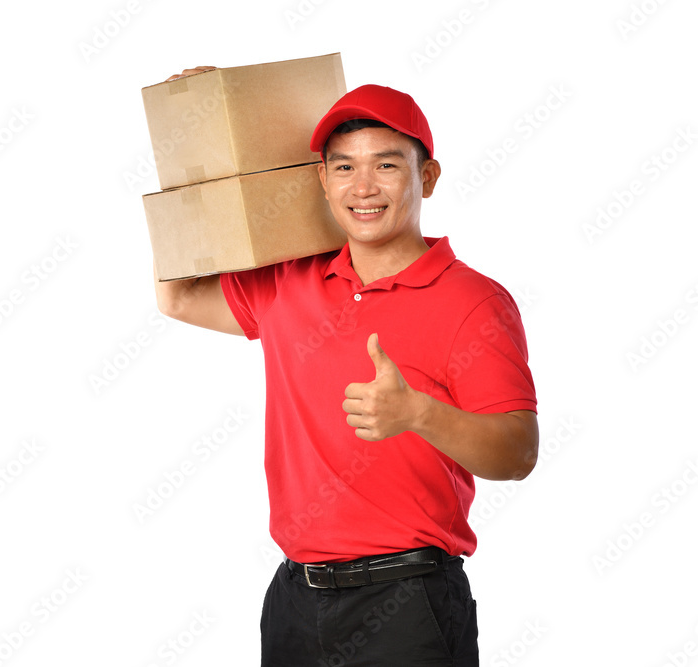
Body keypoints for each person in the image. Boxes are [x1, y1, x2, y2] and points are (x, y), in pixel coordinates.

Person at [153, 73, 538, 666]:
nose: (363, 187)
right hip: (294, 600)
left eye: (386, 165)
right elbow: (177, 296)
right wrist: (196, 140)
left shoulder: (474, 302)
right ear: (321, 180)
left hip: (409, 606)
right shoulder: (289, 279)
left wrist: (418, 413)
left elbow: (517, 455)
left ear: (427, 177)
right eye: (343, 167)